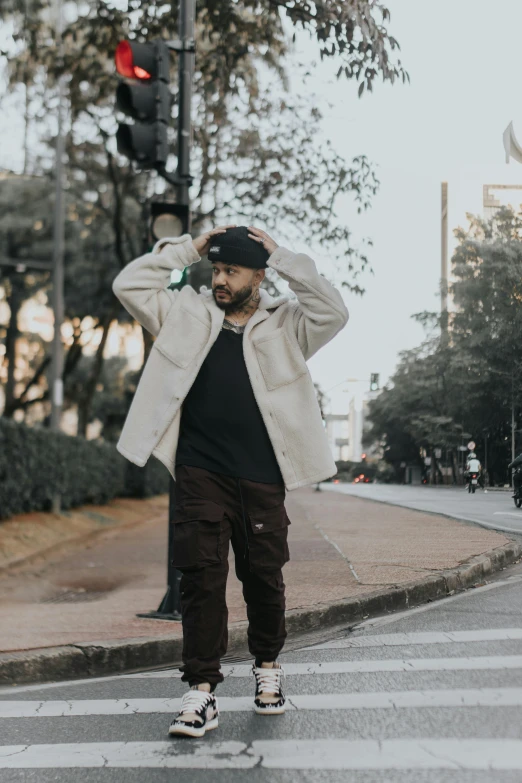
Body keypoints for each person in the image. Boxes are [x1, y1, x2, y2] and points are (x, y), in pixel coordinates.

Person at [112, 224, 349, 738]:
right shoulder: (185, 313)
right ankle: (200, 693)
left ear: (258, 276)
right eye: (215, 269)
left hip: (263, 475)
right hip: (199, 471)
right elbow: (129, 285)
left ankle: (268, 669)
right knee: (201, 580)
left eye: (230, 271)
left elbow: (335, 311)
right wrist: (188, 248)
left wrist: (283, 254)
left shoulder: (287, 324)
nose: (219, 279)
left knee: (264, 579)